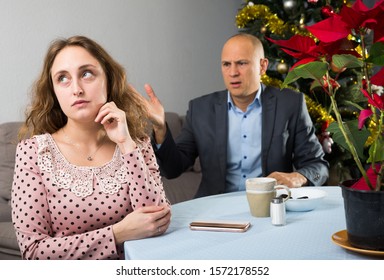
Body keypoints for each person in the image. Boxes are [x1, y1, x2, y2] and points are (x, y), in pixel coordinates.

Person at [11, 35, 171, 260]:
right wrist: (117, 234)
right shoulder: (33, 153)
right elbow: (34, 252)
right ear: (55, 92)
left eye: (86, 73)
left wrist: (126, 145)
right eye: (63, 78)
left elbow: (156, 222)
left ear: (108, 79)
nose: (76, 89)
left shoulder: (136, 143)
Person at [140, 33, 329, 198]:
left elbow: (317, 165)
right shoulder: (201, 109)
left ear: (263, 66)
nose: (233, 72)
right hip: (216, 211)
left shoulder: (290, 104)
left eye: (242, 63)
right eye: (226, 64)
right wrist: (160, 128)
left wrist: (298, 177)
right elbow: (172, 169)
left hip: (271, 207)